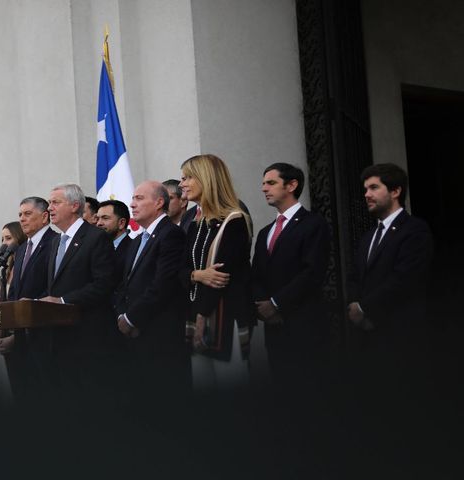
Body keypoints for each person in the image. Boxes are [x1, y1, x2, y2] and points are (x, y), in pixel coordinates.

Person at [347, 163, 433, 382]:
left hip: (399, 336)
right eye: (365, 189)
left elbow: (404, 279)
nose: (367, 194)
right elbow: (356, 276)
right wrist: (355, 306)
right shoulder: (368, 237)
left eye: (374, 188)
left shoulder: (415, 230)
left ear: (395, 191)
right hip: (366, 340)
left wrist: (365, 308)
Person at [251, 163, 331, 393]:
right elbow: (257, 273)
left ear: (292, 185)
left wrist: (276, 304)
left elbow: (312, 272)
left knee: (308, 391)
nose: (264, 188)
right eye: (263, 183)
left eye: (271, 183)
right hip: (274, 329)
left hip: (303, 324)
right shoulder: (266, 231)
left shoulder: (313, 224)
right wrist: (262, 305)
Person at [180, 154, 253, 391]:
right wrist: (196, 275)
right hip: (196, 315)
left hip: (225, 317)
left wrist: (202, 315)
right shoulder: (195, 222)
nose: (182, 184)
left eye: (188, 177)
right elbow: (180, 270)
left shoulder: (234, 220)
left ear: (207, 179)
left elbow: (222, 275)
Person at [115, 181, 188, 402]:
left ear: (159, 203)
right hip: (134, 336)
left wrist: (132, 318)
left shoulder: (171, 234)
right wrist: (121, 315)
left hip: (159, 334)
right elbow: (123, 285)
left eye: (139, 198)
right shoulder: (138, 241)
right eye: (133, 198)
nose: (132, 204)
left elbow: (163, 284)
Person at [42, 184, 116, 398]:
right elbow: (55, 286)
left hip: (88, 336)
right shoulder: (56, 241)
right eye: (49, 203)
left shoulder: (96, 237)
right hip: (60, 337)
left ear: (75, 206)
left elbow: (104, 283)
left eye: (55, 202)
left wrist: (63, 300)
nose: (49, 208)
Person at [0, 197, 58, 401]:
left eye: (28, 214)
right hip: (22, 339)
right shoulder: (22, 249)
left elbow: (52, 288)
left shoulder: (55, 243)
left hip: (44, 335)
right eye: (20, 214)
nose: (22, 219)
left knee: (46, 396)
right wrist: (6, 328)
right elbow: (14, 294)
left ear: (44, 216)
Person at [96, 199, 132, 285]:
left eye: (105, 218)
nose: (98, 223)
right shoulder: (96, 248)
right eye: (98, 219)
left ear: (121, 223)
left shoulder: (133, 248)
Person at [0, 221, 26, 299]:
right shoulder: (7, 268)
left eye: (8, 238)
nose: (4, 243)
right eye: (2, 239)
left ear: (20, 238)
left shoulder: (25, 265)